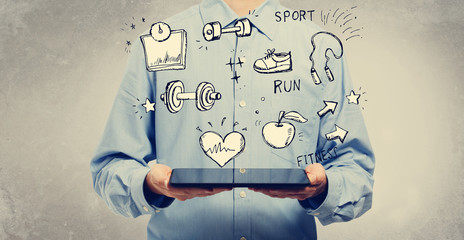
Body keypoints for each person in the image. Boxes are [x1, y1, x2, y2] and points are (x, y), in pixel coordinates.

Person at [90, 0, 375, 239]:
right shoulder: (158, 45)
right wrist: (150, 185)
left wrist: (324, 187)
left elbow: (356, 172)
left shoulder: (316, 48)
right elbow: (110, 168)